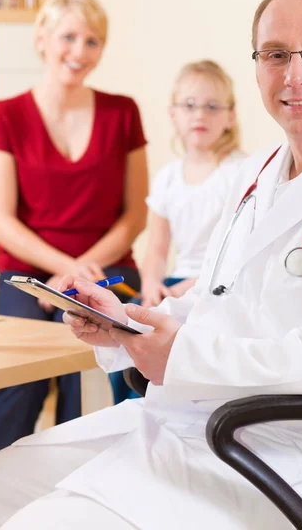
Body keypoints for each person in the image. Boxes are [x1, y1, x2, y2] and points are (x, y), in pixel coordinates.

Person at [0, 0, 302, 530]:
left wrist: (183, 357)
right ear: (256, 69)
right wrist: (128, 325)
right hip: (189, 424)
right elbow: (217, 296)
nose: (295, 74)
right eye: (275, 54)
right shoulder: (259, 172)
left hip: (289, 453)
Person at [0, 0, 148, 454]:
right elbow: (1, 220)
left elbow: (135, 214)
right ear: (41, 38)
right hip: (25, 278)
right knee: (26, 381)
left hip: (109, 272)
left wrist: (80, 270)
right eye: (69, 37)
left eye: (92, 41)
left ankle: (92, 482)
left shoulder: (123, 112)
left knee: (96, 368)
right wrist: (63, 269)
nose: (79, 52)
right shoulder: (5, 114)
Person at [109, 59, 245, 404]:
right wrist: (152, 283)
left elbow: (240, 251)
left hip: (218, 286)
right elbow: (155, 249)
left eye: (213, 106)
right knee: (127, 331)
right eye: (190, 105)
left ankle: (167, 406)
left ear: (230, 116)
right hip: (173, 284)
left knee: (174, 337)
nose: (200, 114)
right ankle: (130, 409)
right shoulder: (168, 178)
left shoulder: (240, 173)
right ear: (173, 113)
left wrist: (195, 286)